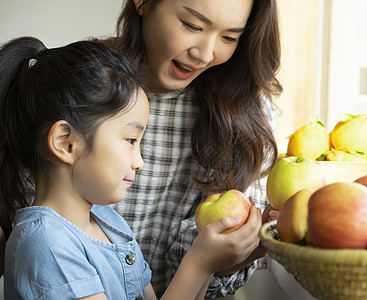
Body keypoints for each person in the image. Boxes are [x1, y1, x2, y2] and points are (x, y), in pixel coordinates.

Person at [0, 36, 262, 299]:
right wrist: (199, 263)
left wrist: (208, 266)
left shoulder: (109, 222)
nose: (140, 161)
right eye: (130, 140)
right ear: (66, 143)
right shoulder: (46, 244)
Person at [97, 0, 283, 298]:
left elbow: (212, 269)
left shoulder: (244, 108)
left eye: (229, 37)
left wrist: (247, 245)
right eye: (193, 26)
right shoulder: (80, 84)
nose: (205, 54)